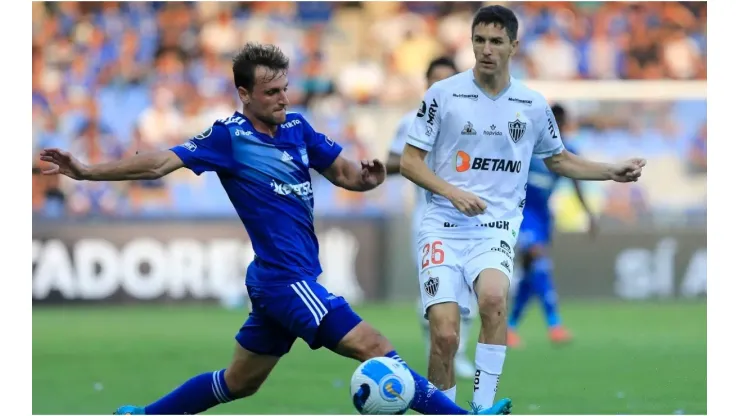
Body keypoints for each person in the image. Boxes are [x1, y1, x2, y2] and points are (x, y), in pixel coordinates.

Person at [39, 43, 512, 416]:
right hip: (287, 281)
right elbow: (160, 162)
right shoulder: (229, 137)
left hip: (275, 280)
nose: (282, 98)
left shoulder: (298, 128)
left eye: (285, 88)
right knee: (377, 347)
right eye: (271, 92)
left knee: (238, 382)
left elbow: (346, 174)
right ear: (244, 95)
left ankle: (144, 414)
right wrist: (86, 171)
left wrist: (368, 180)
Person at [399, 5, 646, 412]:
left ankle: (481, 406)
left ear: (514, 46)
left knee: (494, 299)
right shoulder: (444, 95)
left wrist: (609, 171)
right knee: (444, 334)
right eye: (479, 40)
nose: (486, 49)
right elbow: (410, 162)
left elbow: (560, 160)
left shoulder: (531, 105)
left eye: (496, 41)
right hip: (443, 224)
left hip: (495, 226)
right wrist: (452, 192)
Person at [385, 57, 476, 395]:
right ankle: (436, 352)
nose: (440, 87)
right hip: (428, 217)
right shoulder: (411, 121)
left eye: (447, 80)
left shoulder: (473, 121)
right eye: (434, 80)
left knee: (468, 288)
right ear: (426, 84)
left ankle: (460, 353)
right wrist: (418, 160)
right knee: (436, 288)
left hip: (470, 218)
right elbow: (393, 161)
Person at [507, 103, 597, 348]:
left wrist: (588, 213)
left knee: (532, 271)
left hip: (543, 215)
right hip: (522, 213)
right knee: (539, 260)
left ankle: (509, 326)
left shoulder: (565, 151)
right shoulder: (528, 145)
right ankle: (554, 324)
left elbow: (577, 181)